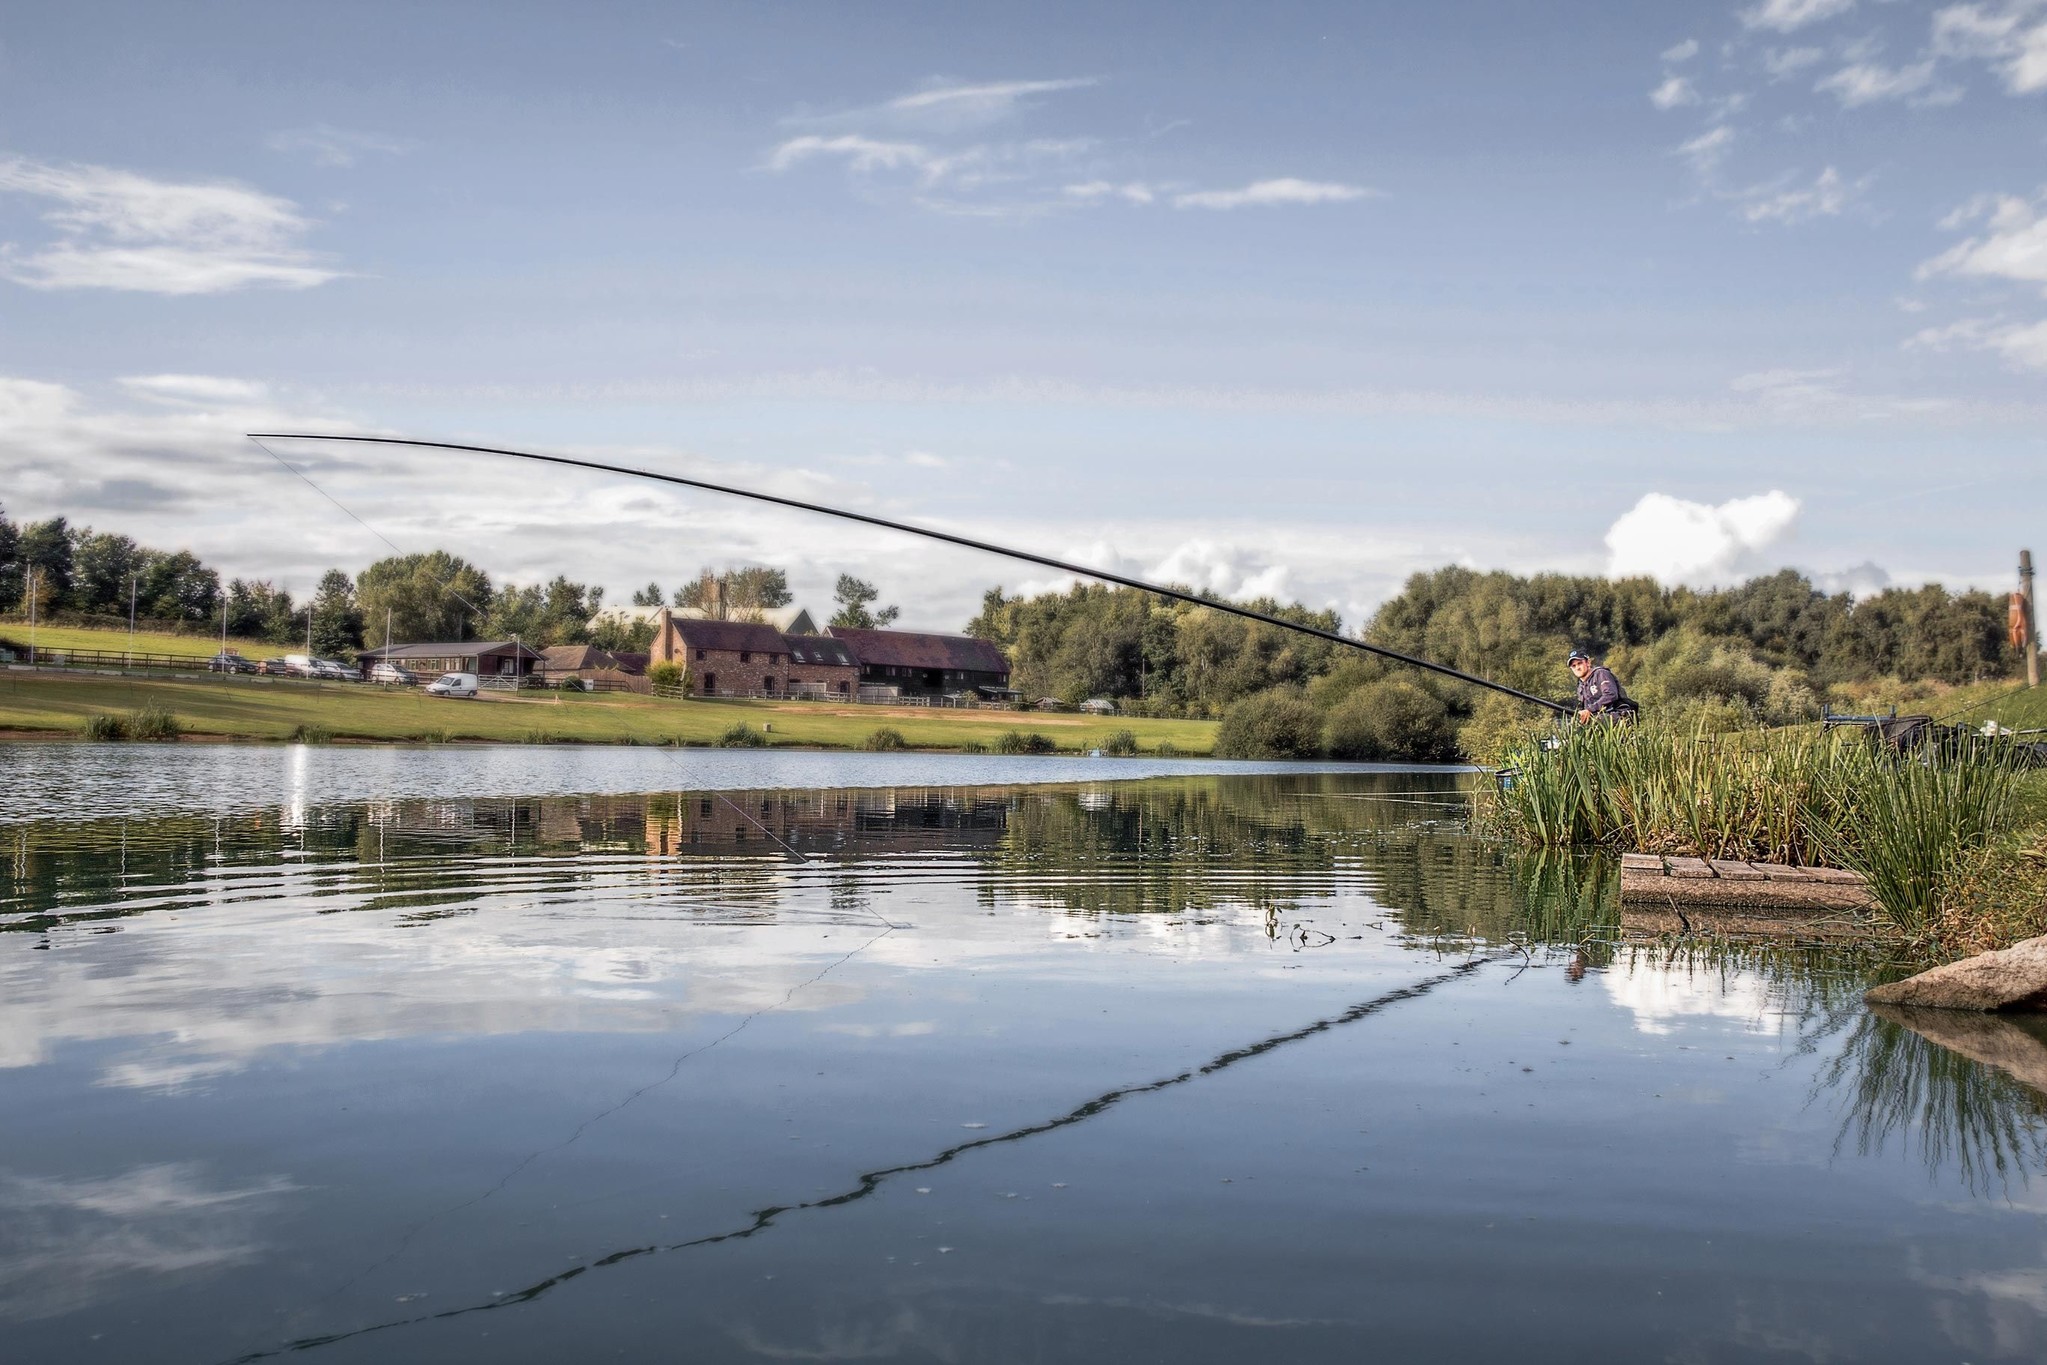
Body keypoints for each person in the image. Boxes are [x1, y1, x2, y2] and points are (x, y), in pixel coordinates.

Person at [1567, 649, 1636, 723]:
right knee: (1574, 724)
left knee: (1594, 722)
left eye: (1579, 663)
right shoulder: (1580, 685)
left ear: (1588, 663)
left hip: (1619, 715)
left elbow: (1611, 695)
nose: (1577, 668)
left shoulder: (1601, 674)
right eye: (1574, 666)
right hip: (1598, 718)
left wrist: (1590, 710)